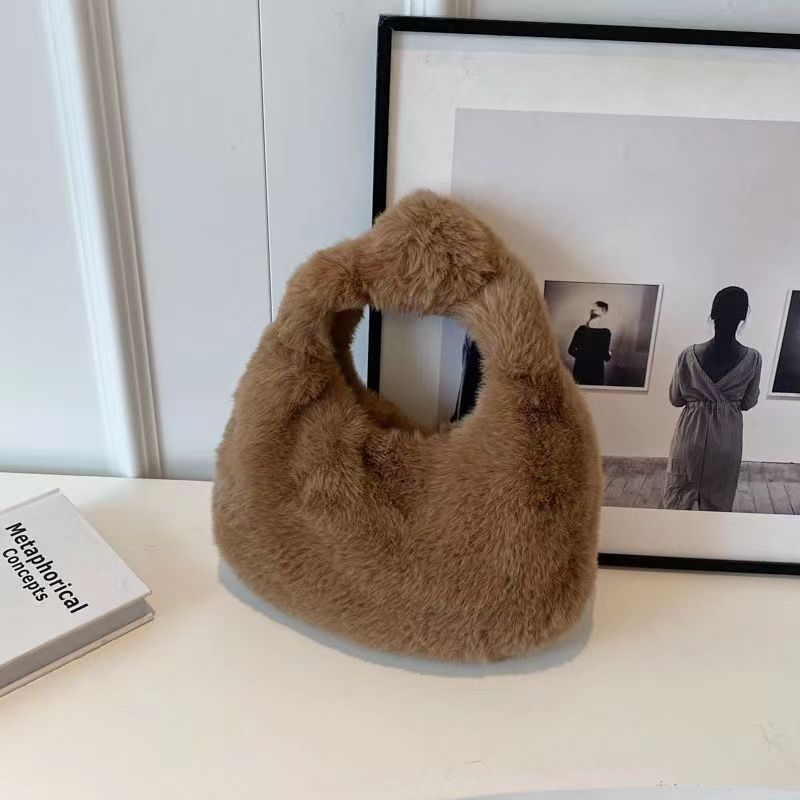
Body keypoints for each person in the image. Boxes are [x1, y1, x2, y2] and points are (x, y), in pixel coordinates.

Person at [662, 286, 762, 512]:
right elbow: (748, 402)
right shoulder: (753, 359)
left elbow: (675, 398)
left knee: (676, 503)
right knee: (718, 509)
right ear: (743, 317)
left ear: (712, 313)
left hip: (690, 438)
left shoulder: (688, 355)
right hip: (726, 441)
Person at [568, 301, 612, 385]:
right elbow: (606, 357)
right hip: (596, 372)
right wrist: (609, 353)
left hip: (580, 370)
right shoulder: (605, 333)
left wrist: (582, 355)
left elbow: (570, 350)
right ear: (604, 312)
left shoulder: (581, 330)